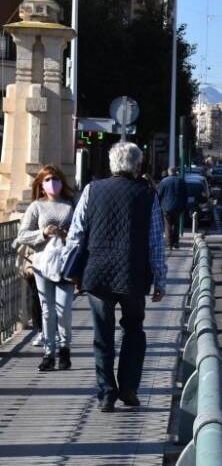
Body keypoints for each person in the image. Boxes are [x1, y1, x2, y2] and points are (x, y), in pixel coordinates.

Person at [66, 142, 167, 413]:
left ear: (112, 164)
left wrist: (72, 272)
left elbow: (75, 235)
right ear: (137, 165)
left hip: (96, 274)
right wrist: (160, 279)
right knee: (133, 329)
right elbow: (156, 240)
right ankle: (129, 386)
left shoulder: (92, 190)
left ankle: (106, 393)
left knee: (102, 335)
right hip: (133, 275)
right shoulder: (147, 194)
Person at [17, 165, 77, 372]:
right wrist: (42, 233)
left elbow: (81, 232)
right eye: (48, 179)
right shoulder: (36, 207)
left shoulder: (71, 205)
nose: (53, 183)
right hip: (42, 264)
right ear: (41, 185)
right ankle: (48, 353)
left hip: (66, 264)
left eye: (57, 179)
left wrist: (67, 234)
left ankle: (65, 350)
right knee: (47, 310)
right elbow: (22, 235)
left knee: (64, 310)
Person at [156, 167, 187, 250]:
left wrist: (158, 205)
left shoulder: (164, 181)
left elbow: (159, 194)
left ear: (169, 172)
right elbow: (185, 195)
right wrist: (184, 206)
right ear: (176, 172)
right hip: (178, 207)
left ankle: (169, 243)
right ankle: (176, 242)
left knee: (168, 225)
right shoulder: (181, 181)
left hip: (166, 207)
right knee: (176, 224)